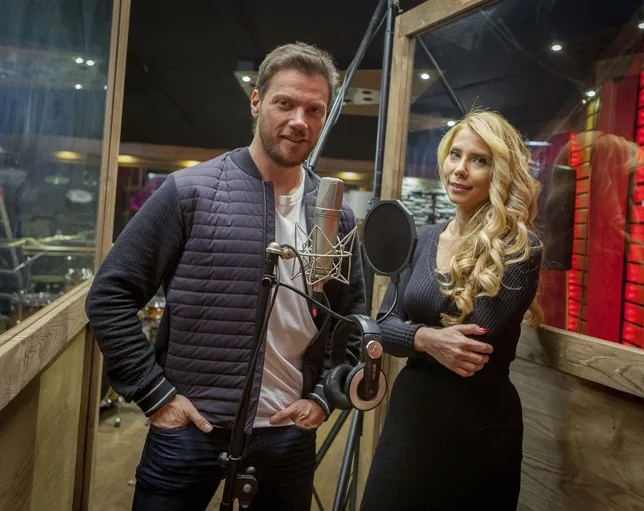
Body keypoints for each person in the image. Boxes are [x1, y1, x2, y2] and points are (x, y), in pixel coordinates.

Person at [85, 41, 366, 511]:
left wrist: (323, 396)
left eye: (314, 109)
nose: (299, 120)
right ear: (256, 101)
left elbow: (350, 319)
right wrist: (155, 395)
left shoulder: (335, 214)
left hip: (287, 432)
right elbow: (109, 295)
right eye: (285, 103)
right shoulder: (188, 191)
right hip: (189, 428)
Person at [360, 109, 543, 510]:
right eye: (455, 155)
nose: (460, 169)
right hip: (411, 417)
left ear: (500, 174)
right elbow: (382, 326)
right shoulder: (422, 238)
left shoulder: (519, 249)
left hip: (477, 428)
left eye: (479, 160)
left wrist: (410, 336)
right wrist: (426, 338)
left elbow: (471, 347)